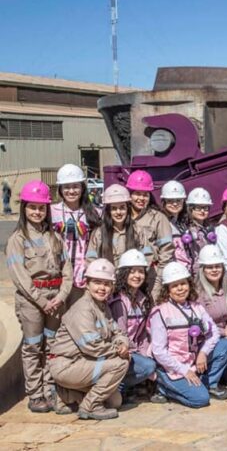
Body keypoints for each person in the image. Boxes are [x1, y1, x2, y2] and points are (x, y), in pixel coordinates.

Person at [6, 180, 73, 412]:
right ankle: (35, 394)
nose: (37, 212)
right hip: (32, 302)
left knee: (52, 344)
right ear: (24, 208)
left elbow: (67, 270)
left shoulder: (55, 237)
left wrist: (61, 296)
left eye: (41, 208)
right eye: (32, 207)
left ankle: (50, 389)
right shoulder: (17, 240)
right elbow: (20, 277)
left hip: (55, 299)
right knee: (34, 346)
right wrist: (43, 301)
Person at [49, 259, 129, 419]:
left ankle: (66, 394)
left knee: (115, 401)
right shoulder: (83, 308)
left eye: (107, 284)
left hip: (85, 362)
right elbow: (91, 345)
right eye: (97, 282)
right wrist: (117, 352)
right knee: (121, 364)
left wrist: (122, 343)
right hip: (67, 365)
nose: (102, 288)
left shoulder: (103, 307)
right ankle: (90, 407)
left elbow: (117, 331)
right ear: (87, 284)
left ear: (112, 286)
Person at [150, 262, 227, 408]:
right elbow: (158, 351)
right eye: (174, 286)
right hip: (172, 367)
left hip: (193, 360)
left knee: (225, 345)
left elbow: (213, 333)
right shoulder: (160, 312)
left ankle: (208, 384)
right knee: (200, 400)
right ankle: (164, 387)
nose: (180, 288)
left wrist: (203, 353)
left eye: (183, 283)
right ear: (167, 289)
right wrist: (183, 370)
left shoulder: (197, 307)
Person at [109, 249, 156, 403]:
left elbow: (141, 334)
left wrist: (146, 353)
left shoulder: (143, 299)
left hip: (134, 351)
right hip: (120, 352)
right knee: (148, 366)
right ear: (124, 273)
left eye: (141, 272)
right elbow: (119, 334)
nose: (137, 276)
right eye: (132, 271)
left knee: (152, 361)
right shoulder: (119, 301)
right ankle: (116, 389)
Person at [51, 164, 101, 304]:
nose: (71, 191)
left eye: (75, 186)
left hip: (85, 277)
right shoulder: (51, 212)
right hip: (58, 276)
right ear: (60, 189)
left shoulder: (95, 213)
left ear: (82, 188)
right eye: (66, 187)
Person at [193, 245, 227, 398]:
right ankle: (209, 384)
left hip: (223, 338)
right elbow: (201, 325)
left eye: (217, 266)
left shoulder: (226, 290)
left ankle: (217, 372)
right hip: (205, 342)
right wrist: (225, 333)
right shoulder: (199, 294)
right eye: (209, 267)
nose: (214, 270)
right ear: (202, 270)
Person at [125, 170, 173, 296]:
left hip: (151, 275)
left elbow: (166, 252)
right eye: (137, 194)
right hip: (125, 275)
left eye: (145, 194)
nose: (141, 198)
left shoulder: (158, 218)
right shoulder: (121, 216)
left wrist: (158, 282)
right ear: (130, 194)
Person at [86, 184, 142, 266]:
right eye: (114, 208)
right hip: (105, 277)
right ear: (108, 211)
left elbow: (146, 258)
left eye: (122, 207)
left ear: (128, 209)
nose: (118, 212)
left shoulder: (138, 230)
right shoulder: (99, 233)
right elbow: (91, 260)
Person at [183, 187, 217, 276]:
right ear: (190, 209)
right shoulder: (188, 231)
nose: (202, 211)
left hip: (210, 271)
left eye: (205, 208)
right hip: (196, 274)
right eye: (198, 208)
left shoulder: (209, 228)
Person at [160, 181, 192, 272]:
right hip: (173, 272)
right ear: (163, 202)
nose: (175, 204)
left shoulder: (183, 223)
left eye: (178, 200)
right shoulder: (161, 223)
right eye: (170, 201)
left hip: (186, 270)